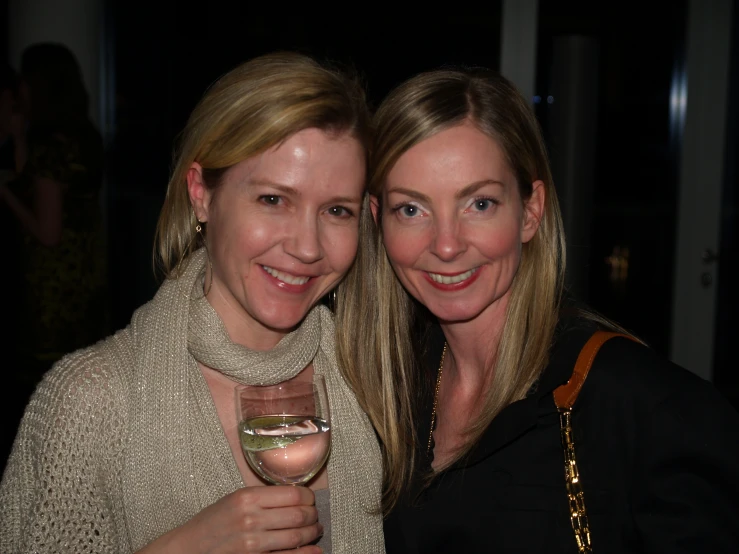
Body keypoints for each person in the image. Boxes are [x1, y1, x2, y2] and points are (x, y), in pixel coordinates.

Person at [336, 67, 739, 552]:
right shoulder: (386, 389)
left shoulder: (646, 408)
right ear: (378, 220)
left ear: (530, 211)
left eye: (479, 204)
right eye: (412, 209)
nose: (445, 245)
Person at [0, 52, 384, 554]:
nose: (307, 247)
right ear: (202, 193)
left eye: (336, 210)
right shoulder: (90, 402)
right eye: (273, 200)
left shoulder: (371, 381)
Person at [0, 43, 107, 385]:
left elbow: (47, 232)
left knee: (47, 387)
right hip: (85, 273)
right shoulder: (82, 138)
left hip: (53, 287)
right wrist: (19, 140)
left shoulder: (50, 149)